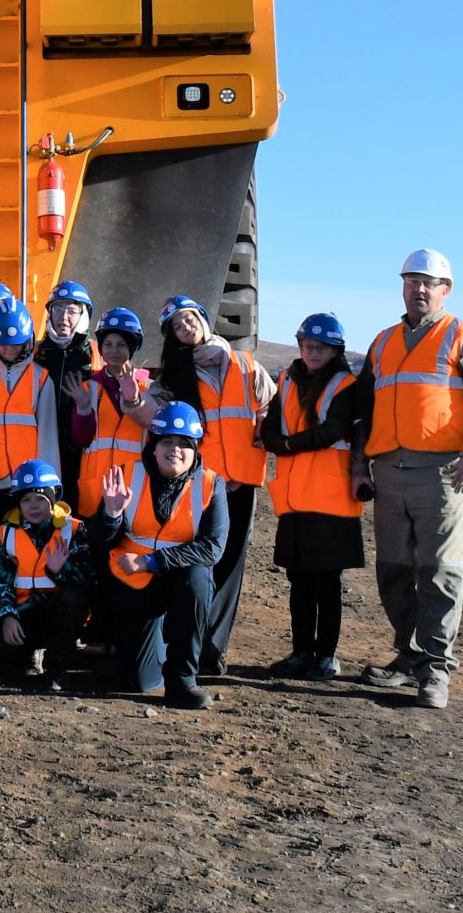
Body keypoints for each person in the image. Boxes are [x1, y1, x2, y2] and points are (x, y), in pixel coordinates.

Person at [354, 250, 463, 711]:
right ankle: (409, 656)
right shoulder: (382, 343)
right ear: (402, 286)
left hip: (442, 474)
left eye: (429, 282)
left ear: (445, 289)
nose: (419, 289)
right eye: (412, 281)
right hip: (389, 472)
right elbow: (364, 412)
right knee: (394, 571)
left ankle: (435, 671)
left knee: (439, 572)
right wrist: (361, 465)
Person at [155, 292, 275, 677]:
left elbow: (269, 402)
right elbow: (151, 410)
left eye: (189, 318)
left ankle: (213, 648)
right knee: (203, 560)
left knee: (232, 567)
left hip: (242, 480)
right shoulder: (174, 374)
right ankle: (189, 639)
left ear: (203, 319)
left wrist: (263, 429)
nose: (185, 327)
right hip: (203, 483)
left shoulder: (244, 364)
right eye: (177, 325)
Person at [92, 401, 228, 709]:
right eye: (167, 441)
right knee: (139, 682)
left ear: (195, 449)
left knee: (197, 577)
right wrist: (110, 516)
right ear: (153, 445)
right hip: (134, 586)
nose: (175, 449)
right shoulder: (127, 475)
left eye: (184, 443)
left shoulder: (210, 484)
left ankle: (183, 679)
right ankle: (162, 643)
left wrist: (153, 562)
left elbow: (212, 547)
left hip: (178, 580)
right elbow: (98, 543)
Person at [257, 313, 368, 680]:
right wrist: (283, 442)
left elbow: (331, 430)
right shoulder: (286, 381)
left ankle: (326, 656)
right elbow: (270, 428)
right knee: (299, 581)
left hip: (330, 499)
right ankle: (301, 651)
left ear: (335, 350)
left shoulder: (345, 385)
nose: (312, 352)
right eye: (307, 346)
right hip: (294, 500)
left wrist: (286, 445)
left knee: (326, 584)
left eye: (320, 347)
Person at [0, 458, 85, 691]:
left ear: (53, 499)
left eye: (41, 499)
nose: (33, 506)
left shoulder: (73, 529)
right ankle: (28, 655)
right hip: (24, 614)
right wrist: (6, 616)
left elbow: (88, 581)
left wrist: (59, 570)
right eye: (26, 500)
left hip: (60, 616)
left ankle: (57, 666)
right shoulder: (6, 533)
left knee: (72, 599)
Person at [0, 296, 56, 512]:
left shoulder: (41, 377)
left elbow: (48, 435)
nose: (9, 349)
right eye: (2, 344)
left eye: (15, 344)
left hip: (30, 485)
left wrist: (49, 482)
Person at [73, 307, 158, 516]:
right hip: (96, 487)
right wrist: (83, 409)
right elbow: (81, 439)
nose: (114, 351)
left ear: (132, 347)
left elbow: (156, 432)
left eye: (121, 345)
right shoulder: (88, 388)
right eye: (108, 344)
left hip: (135, 486)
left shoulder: (150, 387)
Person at [39, 278, 96, 484]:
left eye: (72, 310)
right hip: (41, 448)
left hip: (83, 453)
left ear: (83, 315)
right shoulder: (36, 353)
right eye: (57, 309)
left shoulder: (96, 355)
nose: (64, 316)